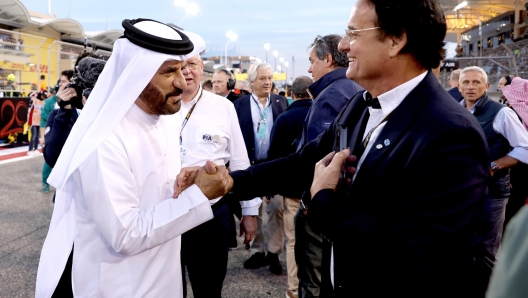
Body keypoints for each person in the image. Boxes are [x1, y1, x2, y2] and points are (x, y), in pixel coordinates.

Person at [177, 0, 490, 296]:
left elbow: (410, 251)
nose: (342, 46)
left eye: (353, 34)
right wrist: (231, 181)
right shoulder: (361, 104)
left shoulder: (450, 133)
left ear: (396, 40)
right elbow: (304, 162)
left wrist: (323, 200)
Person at [36, 19, 230, 298]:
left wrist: (187, 182)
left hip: (163, 277)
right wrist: (198, 196)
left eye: (184, 68)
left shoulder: (162, 119)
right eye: (170, 71)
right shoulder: (105, 138)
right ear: (137, 75)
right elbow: (125, 234)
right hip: (121, 285)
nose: (181, 81)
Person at [177, 53, 261, 298]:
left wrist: (249, 211)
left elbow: (239, 161)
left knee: (209, 290)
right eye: (179, 66)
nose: (186, 71)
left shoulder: (222, 107)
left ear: (203, 69)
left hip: (210, 215)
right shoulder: (156, 106)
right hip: (163, 214)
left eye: (192, 64)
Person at [298, 33, 363, 298]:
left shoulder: (330, 95)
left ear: (327, 59)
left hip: (323, 202)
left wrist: (309, 201)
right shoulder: (356, 90)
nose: (309, 68)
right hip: (342, 206)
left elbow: (315, 157)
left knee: (313, 279)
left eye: (312, 60)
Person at [458, 66, 528, 295]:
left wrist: (494, 166)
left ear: (487, 86)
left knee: (486, 251)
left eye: (476, 82)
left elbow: (525, 148)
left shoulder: (501, 112)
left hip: (492, 192)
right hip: (462, 192)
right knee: (464, 248)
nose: (471, 87)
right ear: (458, 86)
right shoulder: (455, 111)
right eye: (466, 82)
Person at [233, 62, 289, 274]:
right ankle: (258, 250)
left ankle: (274, 253)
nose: (267, 82)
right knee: (252, 209)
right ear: (251, 82)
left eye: (269, 78)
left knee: (276, 209)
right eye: (262, 78)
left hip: (274, 165)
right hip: (250, 165)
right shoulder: (240, 105)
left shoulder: (280, 101)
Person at [267, 76, 313, 298]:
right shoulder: (321, 113)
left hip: (293, 190)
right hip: (320, 187)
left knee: (293, 240)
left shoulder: (284, 118)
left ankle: (294, 289)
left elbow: (274, 156)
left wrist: (269, 187)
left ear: (292, 95)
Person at [40, 70, 73, 194]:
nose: (60, 83)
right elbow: (43, 120)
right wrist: (43, 137)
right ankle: (45, 182)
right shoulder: (49, 102)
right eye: (60, 81)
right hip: (53, 136)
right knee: (49, 161)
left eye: (63, 81)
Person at [27, 91, 46, 156]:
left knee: (37, 136)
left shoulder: (43, 102)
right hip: (33, 122)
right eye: (42, 95)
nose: (43, 97)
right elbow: (29, 110)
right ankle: (30, 150)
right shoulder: (34, 100)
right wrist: (29, 121)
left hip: (39, 122)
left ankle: (35, 149)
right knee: (34, 136)